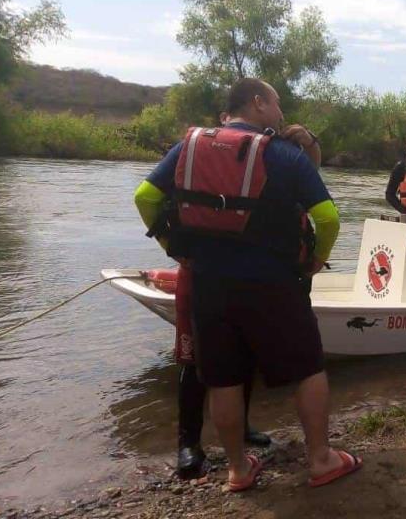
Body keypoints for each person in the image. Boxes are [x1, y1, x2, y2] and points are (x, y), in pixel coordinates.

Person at [134, 77, 361, 491]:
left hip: (206, 284)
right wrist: (315, 261)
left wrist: (174, 249)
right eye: (276, 103)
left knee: (223, 378)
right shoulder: (285, 156)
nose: (280, 111)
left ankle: (238, 470)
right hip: (273, 284)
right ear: (258, 103)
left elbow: (145, 196)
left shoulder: (189, 146)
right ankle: (321, 460)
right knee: (308, 368)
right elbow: (328, 218)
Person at [168, 112, 323, 479]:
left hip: (230, 280)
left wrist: (311, 142)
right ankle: (188, 443)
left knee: (235, 361)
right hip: (202, 274)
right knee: (195, 362)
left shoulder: (276, 162)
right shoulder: (205, 153)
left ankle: (241, 440)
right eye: (276, 107)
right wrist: (173, 251)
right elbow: (150, 198)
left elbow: (310, 172)